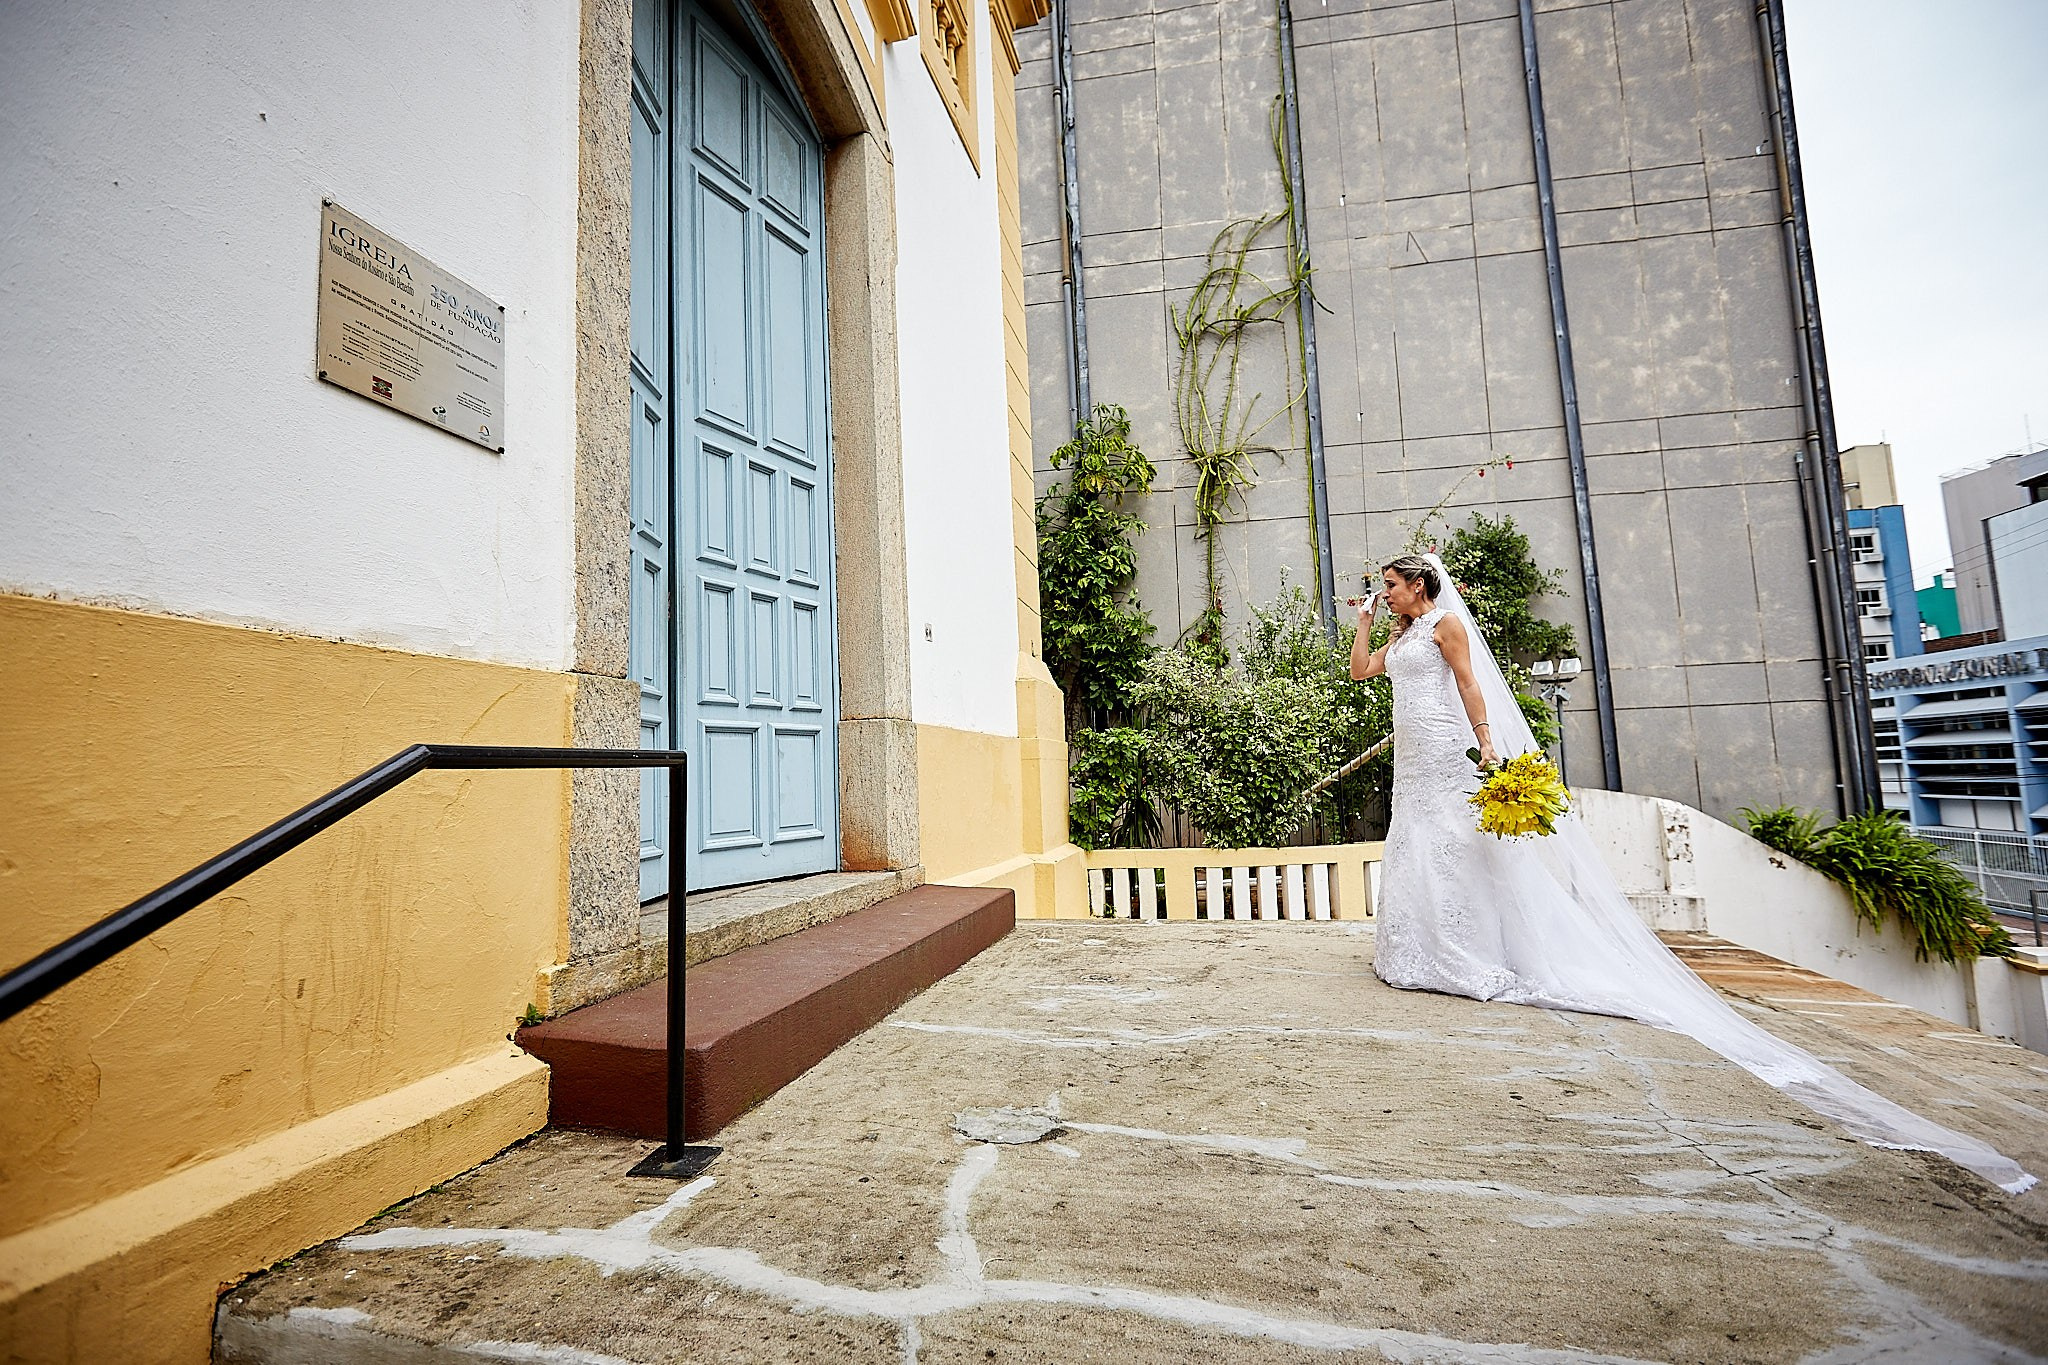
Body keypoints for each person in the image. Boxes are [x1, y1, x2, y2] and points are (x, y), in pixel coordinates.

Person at [1351, 552, 2034, 1193]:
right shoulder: (1405, 636)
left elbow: (1471, 688)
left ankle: (1467, 953)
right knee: (1417, 845)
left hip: (1450, 749)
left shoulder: (1445, 629)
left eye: (1391, 585)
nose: (1384, 593)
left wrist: (1490, 746)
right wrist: (1363, 627)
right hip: (1413, 760)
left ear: (1421, 586)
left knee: (1455, 850)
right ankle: (1418, 949)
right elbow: (1360, 672)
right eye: (1382, 587)